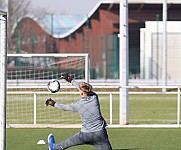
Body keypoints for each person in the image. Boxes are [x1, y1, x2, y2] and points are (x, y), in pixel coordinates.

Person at [45, 74, 112, 150]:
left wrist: (54, 104)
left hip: (84, 136)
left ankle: (53, 147)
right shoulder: (94, 97)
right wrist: (71, 80)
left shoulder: (78, 105)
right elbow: (83, 88)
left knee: (62, 145)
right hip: (100, 135)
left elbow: (64, 107)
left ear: (81, 93)